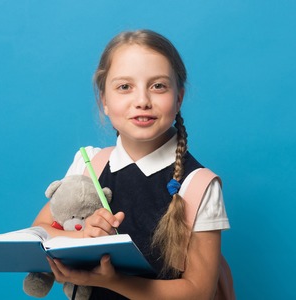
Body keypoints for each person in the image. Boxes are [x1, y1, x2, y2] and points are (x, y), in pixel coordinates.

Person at [33, 29, 230, 299]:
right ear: (104, 100)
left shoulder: (198, 185)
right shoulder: (90, 164)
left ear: (179, 97)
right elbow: (40, 232)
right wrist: (83, 238)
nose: (142, 101)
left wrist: (114, 280)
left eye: (158, 85)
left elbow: (199, 291)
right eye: (125, 87)